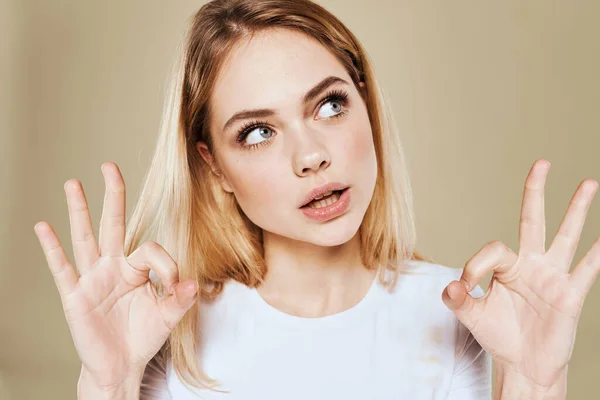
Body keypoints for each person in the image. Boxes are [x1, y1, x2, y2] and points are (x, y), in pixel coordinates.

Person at [34, 0, 600, 399]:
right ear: (215, 166)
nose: (310, 157)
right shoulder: (163, 338)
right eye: (258, 132)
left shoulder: (466, 319)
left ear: (365, 100)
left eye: (328, 105)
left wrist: (535, 382)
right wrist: (109, 386)